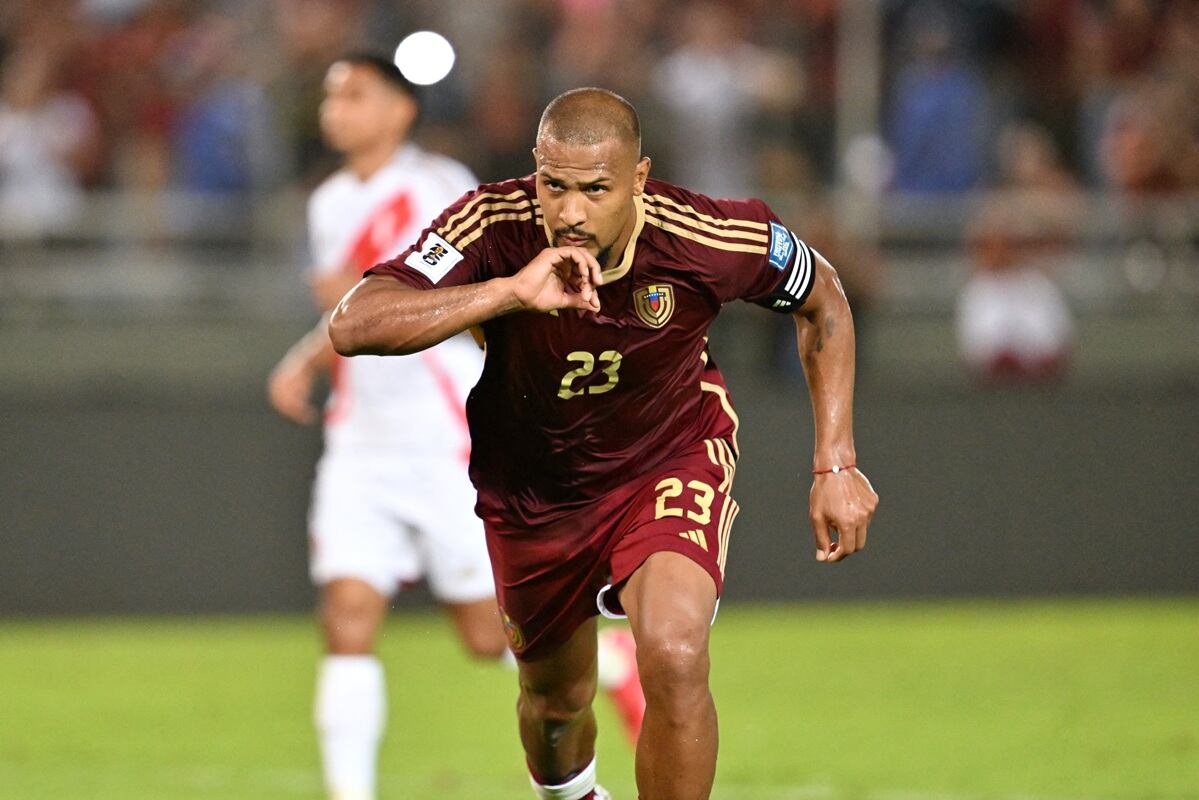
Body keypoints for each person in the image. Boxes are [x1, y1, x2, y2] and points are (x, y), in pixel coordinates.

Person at [330, 88, 878, 800]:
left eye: (595, 189)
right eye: (554, 186)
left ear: (639, 178)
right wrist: (507, 293)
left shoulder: (708, 236)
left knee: (675, 653)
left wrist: (836, 461)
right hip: (535, 491)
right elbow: (354, 323)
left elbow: (824, 295)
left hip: (667, 459)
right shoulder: (491, 224)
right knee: (555, 706)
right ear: (535, 171)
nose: (570, 212)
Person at [267, 61, 645, 800]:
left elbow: (475, 287)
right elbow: (362, 309)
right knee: (346, 617)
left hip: (444, 436)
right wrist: (308, 357)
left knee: (487, 633)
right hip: (359, 440)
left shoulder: (440, 187)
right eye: (332, 96)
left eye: (356, 95)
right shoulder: (329, 201)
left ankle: (616, 666)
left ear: (401, 110)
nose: (336, 109)